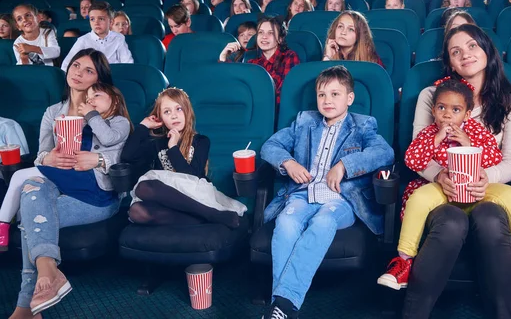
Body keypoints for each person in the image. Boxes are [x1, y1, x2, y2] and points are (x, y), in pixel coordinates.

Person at [399, 24, 511, 318]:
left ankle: (506, 311)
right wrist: (440, 176)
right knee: (450, 222)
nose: (465, 54)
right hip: (441, 189)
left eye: (472, 46)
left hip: (486, 188)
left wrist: (486, 178)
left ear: (487, 50)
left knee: (490, 218)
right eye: (456, 51)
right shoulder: (432, 95)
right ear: (449, 62)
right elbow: (418, 150)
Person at [377, 78, 511, 294]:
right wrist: (435, 141)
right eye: (441, 108)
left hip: (475, 187)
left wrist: (468, 143)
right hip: (443, 187)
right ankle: (404, 262)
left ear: (467, 114)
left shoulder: (475, 131)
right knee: (417, 198)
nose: (447, 115)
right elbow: (412, 160)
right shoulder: (429, 133)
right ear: (433, 110)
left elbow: (494, 159)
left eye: (455, 110)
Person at [260, 65, 394, 318]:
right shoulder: (303, 121)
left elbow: (384, 153)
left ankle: (282, 304)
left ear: (349, 98)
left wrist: (345, 165)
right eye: (322, 94)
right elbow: (271, 145)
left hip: (341, 199)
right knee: (286, 222)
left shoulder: (363, 125)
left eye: (335, 94)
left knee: (322, 222)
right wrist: (289, 163)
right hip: (303, 193)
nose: (327, 100)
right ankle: (283, 307)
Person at [6, 49, 121, 318]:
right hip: (56, 184)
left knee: (31, 220)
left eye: (89, 70)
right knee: (33, 191)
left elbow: (123, 151)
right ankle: (48, 276)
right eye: (76, 65)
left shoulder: (106, 110)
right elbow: (40, 155)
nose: (78, 73)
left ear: (99, 79)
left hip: (95, 197)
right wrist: (50, 157)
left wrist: (98, 159)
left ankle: (25, 307)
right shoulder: (52, 112)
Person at [0, 82, 132, 251]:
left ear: (114, 101)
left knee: (21, 178)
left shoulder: (120, 122)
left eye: (96, 96)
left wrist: (91, 115)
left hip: (92, 180)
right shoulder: (88, 122)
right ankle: (6, 225)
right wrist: (60, 130)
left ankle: (3, 225)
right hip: (74, 173)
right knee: (27, 199)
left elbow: (108, 138)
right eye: (89, 98)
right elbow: (70, 147)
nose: (91, 100)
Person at [123, 88, 246, 228]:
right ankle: (201, 218)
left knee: (145, 186)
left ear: (188, 111)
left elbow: (191, 175)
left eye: (179, 109)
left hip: (195, 195)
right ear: (160, 118)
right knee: (136, 210)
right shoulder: (156, 143)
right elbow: (127, 156)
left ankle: (211, 213)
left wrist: (173, 148)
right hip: (169, 200)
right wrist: (143, 126)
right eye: (167, 112)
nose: (174, 116)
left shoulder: (201, 141)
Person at [221, 17, 299, 105]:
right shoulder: (252, 63)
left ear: (280, 39)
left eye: (271, 33)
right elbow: (234, 86)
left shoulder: (290, 57)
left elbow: (285, 94)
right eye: (261, 32)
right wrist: (223, 58)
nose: (264, 37)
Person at [61, 1, 133, 70]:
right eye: (92, 19)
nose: (96, 23)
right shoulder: (83, 40)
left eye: (101, 19)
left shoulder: (119, 38)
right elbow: (66, 65)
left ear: (111, 22)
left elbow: (127, 62)